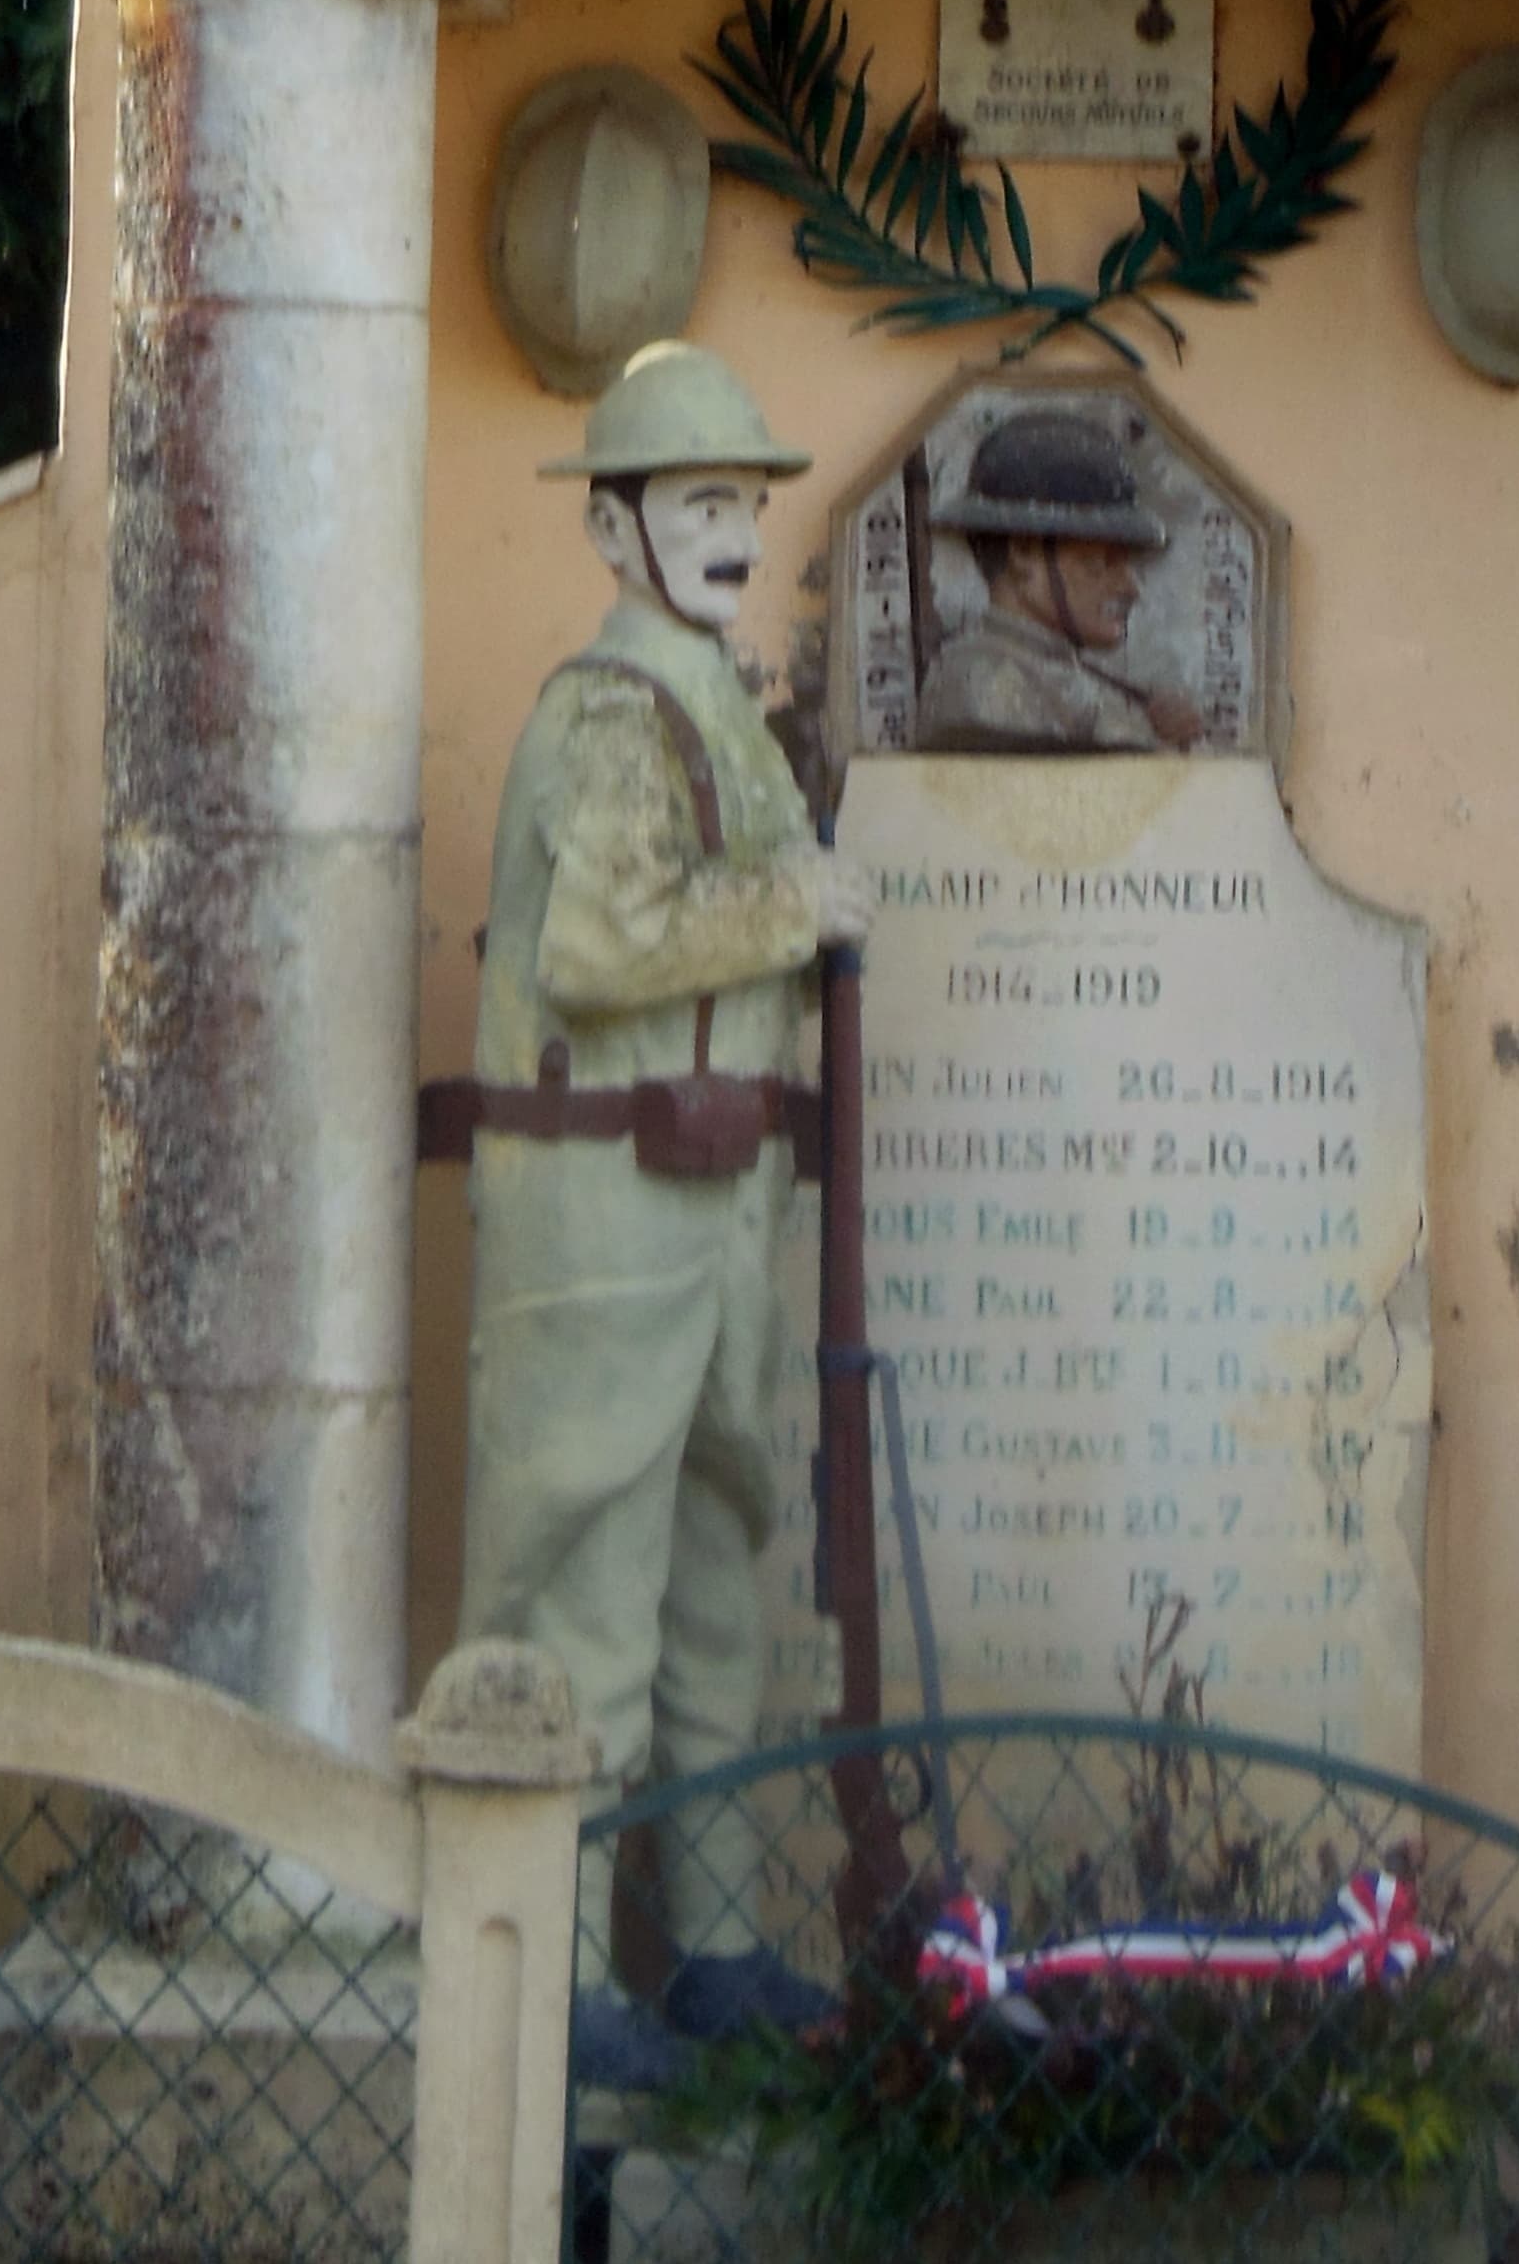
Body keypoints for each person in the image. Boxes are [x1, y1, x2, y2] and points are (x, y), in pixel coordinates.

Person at [451, 342, 873, 2086]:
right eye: (698, 503)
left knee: (714, 1581)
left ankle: (704, 1943)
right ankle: (542, 1968)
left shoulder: (716, 705)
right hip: (606, 1202)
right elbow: (601, 948)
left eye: (742, 504)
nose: (729, 533)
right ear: (617, 529)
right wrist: (794, 898)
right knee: (586, 1587)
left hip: (714, 1204)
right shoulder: (606, 711)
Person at [914, 410, 1199, 752]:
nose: (1130, 588)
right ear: (1023, 553)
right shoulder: (982, 680)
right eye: (1101, 562)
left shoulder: (1058, 673)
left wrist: (1164, 733)